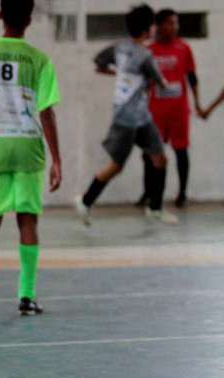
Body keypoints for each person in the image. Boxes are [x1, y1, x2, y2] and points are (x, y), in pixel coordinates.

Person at [0, 0, 62, 318]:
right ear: (30, 19)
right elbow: (46, 110)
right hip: (26, 145)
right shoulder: (39, 59)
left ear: (1, 15)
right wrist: (57, 159)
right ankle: (27, 296)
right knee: (27, 221)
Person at [75, 4, 178, 226]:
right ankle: (85, 201)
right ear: (147, 29)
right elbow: (162, 85)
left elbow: (99, 63)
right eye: (152, 25)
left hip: (142, 117)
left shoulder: (119, 47)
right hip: (127, 119)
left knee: (159, 158)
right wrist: (172, 86)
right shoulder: (146, 55)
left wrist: (119, 73)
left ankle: (155, 208)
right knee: (116, 166)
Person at [136, 8, 203, 209]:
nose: (175, 27)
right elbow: (141, 81)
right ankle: (148, 193)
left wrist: (198, 103)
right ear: (160, 25)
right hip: (155, 111)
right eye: (170, 23)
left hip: (178, 111)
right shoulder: (148, 50)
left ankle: (182, 193)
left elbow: (192, 77)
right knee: (150, 154)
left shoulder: (184, 48)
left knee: (181, 150)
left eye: (176, 23)